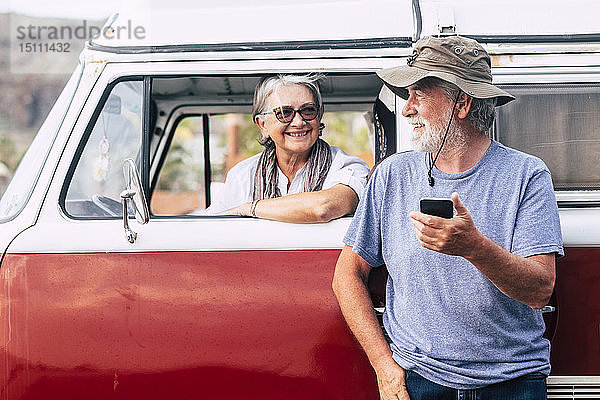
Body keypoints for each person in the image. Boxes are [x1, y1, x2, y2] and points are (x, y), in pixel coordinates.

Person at [332, 36, 563, 400]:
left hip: (513, 383)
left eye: (418, 95)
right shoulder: (392, 175)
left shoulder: (526, 174)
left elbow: (539, 290)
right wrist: (383, 365)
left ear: (462, 103)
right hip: (419, 380)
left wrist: (474, 248)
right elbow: (347, 274)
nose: (407, 109)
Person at [207, 74, 369, 223]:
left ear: (318, 118)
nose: (299, 122)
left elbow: (323, 208)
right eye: (284, 113)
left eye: (308, 110)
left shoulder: (347, 166)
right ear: (263, 125)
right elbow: (211, 226)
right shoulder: (242, 175)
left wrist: (249, 208)